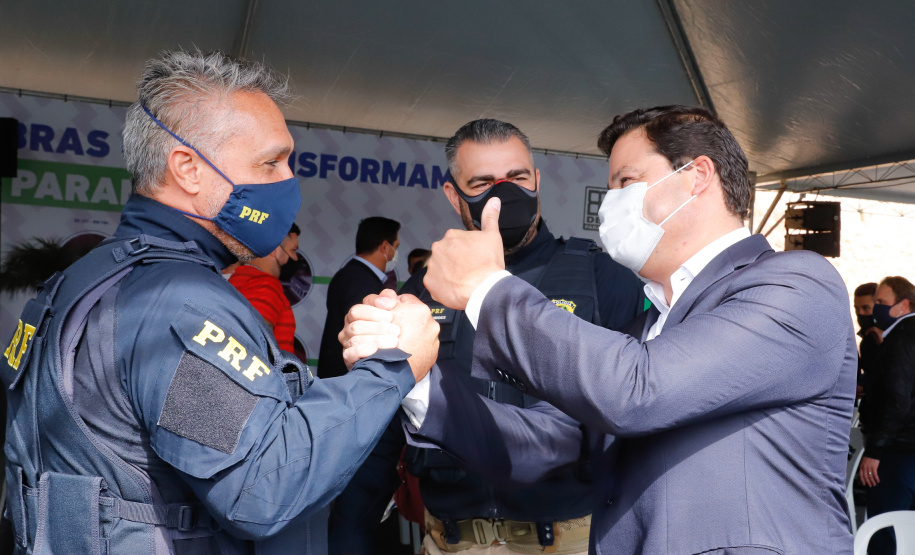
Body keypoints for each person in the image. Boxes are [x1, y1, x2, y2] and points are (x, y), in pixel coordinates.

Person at [341, 105, 858, 554]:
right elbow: (549, 441)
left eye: (626, 183)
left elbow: (638, 391)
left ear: (697, 175)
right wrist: (416, 377)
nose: (611, 205)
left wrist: (486, 289)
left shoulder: (796, 285)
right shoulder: (644, 329)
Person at [0, 50, 438, 554]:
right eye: (270, 163)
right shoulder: (175, 302)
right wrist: (394, 366)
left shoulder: (89, 277)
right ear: (187, 168)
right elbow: (262, 490)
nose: (288, 181)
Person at [329, 119, 645, 555]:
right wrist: (351, 539)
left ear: (536, 180)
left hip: (568, 539)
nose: (502, 194)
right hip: (448, 541)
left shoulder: (601, 278)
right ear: (452, 194)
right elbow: (380, 434)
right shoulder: (419, 293)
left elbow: (633, 422)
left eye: (516, 178)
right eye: (482, 183)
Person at [857, 276, 915, 555]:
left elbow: (896, 400)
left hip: (897, 451)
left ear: (903, 305)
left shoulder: (901, 338)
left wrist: (875, 450)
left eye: (882, 302)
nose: (877, 308)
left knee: (884, 531)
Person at [318, 217, 401, 379]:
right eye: (395, 247)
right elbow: (363, 338)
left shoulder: (350, 274)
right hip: (347, 380)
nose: (395, 254)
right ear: (385, 246)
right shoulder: (360, 280)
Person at [228, 223, 300, 353]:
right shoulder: (266, 283)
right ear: (273, 248)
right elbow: (256, 341)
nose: (295, 258)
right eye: (293, 250)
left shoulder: (237, 278)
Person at [854, 282, 881, 399]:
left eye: (865, 308)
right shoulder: (867, 340)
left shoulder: (898, 338)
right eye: (856, 308)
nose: (860, 313)